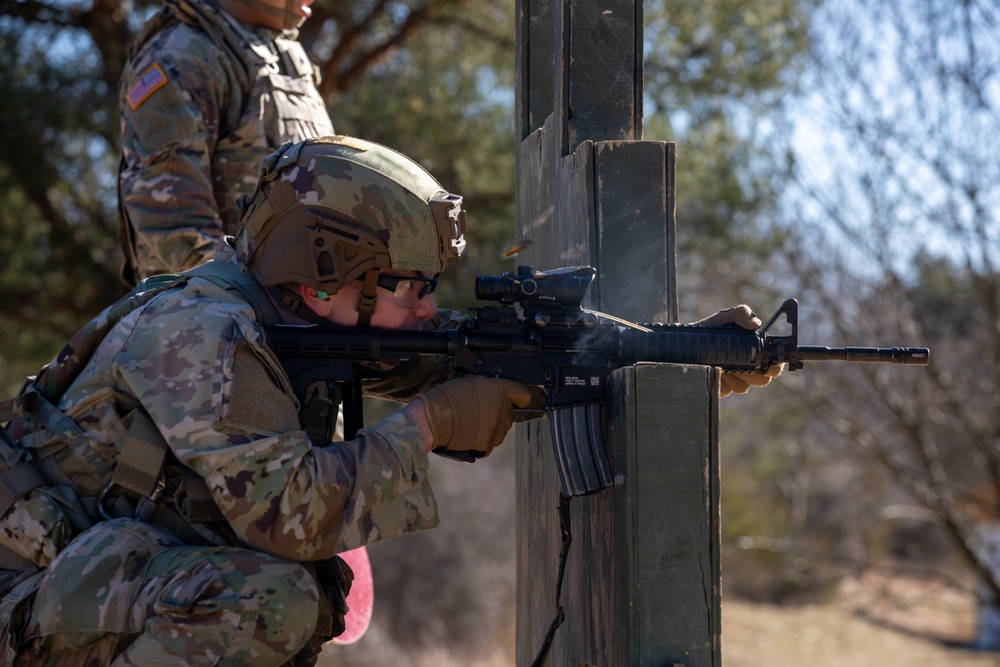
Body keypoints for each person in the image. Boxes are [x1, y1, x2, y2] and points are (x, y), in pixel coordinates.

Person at [0, 136, 777, 666]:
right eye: (414, 288)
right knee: (271, 600)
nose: (430, 311)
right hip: (27, 603)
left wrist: (664, 354)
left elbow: (460, 365)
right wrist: (432, 424)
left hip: (88, 589)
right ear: (329, 278)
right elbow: (291, 513)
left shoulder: (289, 317)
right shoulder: (199, 336)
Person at [116, 0, 335, 286]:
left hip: (297, 310)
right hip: (223, 317)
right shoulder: (181, 55)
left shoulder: (285, 54)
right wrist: (250, 306)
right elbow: (175, 224)